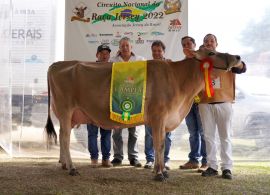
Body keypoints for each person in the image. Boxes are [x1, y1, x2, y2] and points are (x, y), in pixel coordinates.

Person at [198, 34, 246, 179]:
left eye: (211, 41)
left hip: (224, 102)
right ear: (203, 44)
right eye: (206, 41)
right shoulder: (199, 61)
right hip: (205, 103)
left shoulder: (225, 58)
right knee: (208, 136)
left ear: (216, 44)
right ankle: (212, 166)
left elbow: (242, 68)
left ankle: (227, 168)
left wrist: (237, 62)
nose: (209, 43)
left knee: (225, 136)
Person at [110, 37, 145, 167]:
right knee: (116, 131)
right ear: (119, 48)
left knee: (133, 131)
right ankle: (118, 157)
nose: (125, 48)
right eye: (122, 45)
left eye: (127, 45)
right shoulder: (113, 61)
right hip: (117, 99)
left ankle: (133, 157)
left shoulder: (140, 60)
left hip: (135, 99)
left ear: (132, 47)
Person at [179, 36, 207, 172]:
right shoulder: (182, 64)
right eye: (184, 44)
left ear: (195, 45)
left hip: (202, 102)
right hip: (188, 102)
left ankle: (206, 162)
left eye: (189, 43)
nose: (187, 46)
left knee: (203, 132)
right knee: (192, 133)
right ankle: (194, 160)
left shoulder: (203, 61)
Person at [144, 40, 172, 170]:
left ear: (163, 52)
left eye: (159, 51)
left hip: (166, 105)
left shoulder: (170, 65)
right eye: (154, 51)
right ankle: (150, 159)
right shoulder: (147, 65)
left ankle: (164, 160)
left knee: (166, 134)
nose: (156, 53)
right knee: (150, 133)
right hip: (150, 105)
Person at [87, 44, 112, 167]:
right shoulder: (90, 68)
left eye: (107, 53)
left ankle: (106, 159)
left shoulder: (113, 68)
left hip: (107, 106)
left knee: (106, 133)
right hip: (92, 106)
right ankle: (94, 159)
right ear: (97, 55)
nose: (104, 55)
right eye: (102, 53)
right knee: (92, 134)